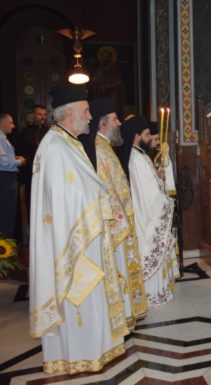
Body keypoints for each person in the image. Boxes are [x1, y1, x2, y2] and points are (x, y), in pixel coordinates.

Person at [29, 86, 129, 374]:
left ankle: (95, 349)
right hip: (73, 243)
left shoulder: (68, 143)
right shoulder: (55, 148)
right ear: (69, 113)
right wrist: (99, 205)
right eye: (85, 111)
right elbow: (63, 201)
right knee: (79, 298)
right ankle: (78, 354)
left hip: (88, 236)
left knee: (92, 298)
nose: (90, 116)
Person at [79, 98, 148, 328]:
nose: (119, 123)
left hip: (122, 223)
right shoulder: (98, 150)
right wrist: (122, 223)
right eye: (115, 119)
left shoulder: (105, 147)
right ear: (102, 124)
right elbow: (106, 192)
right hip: (115, 226)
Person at [119, 115, 177, 307]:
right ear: (136, 136)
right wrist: (166, 203)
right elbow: (149, 194)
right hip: (145, 215)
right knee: (148, 246)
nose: (149, 137)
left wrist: (159, 177)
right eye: (146, 134)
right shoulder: (135, 158)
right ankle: (151, 293)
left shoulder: (141, 155)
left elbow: (151, 183)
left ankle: (158, 291)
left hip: (147, 212)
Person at [0, 113, 25, 237]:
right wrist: (19, 162)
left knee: (8, 215)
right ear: (2, 123)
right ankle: (4, 245)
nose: (13, 126)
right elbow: (1, 161)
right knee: (5, 215)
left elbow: (3, 158)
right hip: (3, 178)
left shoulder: (0, 137)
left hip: (5, 178)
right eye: (10, 122)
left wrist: (15, 158)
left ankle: (6, 244)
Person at [17, 104, 49, 209]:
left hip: (47, 172)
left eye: (45, 114)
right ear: (33, 115)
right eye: (39, 114)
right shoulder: (25, 132)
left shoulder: (50, 132)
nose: (43, 117)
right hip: (31, 173)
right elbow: (21, 153)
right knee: (32, 202)